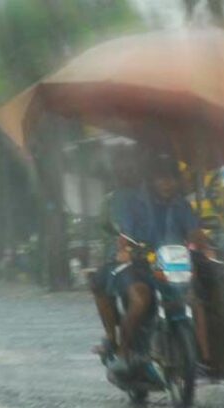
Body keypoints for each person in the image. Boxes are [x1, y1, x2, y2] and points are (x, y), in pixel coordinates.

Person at [91, 152, 213, 375]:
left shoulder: (182, 205)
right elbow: (126, 236)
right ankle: (123, 352)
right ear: (152, 180)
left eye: (171, 178)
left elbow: (194, 231)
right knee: (140, 300)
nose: (167, 183)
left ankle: (203, 359)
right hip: (143, 266)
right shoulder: (135, 203)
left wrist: (205, 246)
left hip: (176, 266)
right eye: (161, 178)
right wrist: (126, 250)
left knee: (196, 301)